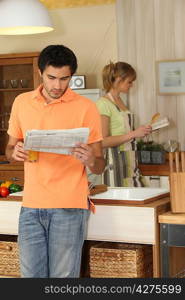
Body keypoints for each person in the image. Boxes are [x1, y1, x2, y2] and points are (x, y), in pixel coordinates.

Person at [5, 45, 105, 278]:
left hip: (69, 207)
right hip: (31, 206)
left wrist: (91, 158)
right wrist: (14, 152)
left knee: (63, 280)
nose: (57, 85)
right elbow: (9, 149)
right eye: (51, 78)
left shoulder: (86, 108)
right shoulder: (21, 102)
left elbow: (99, 163)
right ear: (41, 72)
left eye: (64, 79)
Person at [96, 61, 152, 187]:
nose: (131, 85)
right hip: (114, 162)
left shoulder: (120, 101)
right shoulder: (103, 104)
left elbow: (123, 132)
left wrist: (139, 132)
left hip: (130, 159)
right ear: (118, 80)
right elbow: (103, 141)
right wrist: (133, 134)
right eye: (129, 81)